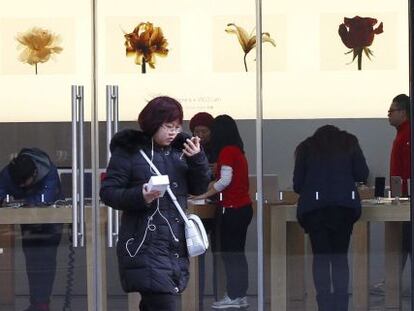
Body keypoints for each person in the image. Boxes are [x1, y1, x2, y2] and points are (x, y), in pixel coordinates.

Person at [100, 96, 210, 311]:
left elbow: (198, 188)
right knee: (162, 303)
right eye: (168, 126)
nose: (173, 132)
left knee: (155, 303)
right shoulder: (129, 151)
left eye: (177, 127)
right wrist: (141, 195)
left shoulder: (181, 151)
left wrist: (197, 159)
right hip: (144, 244)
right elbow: (109, 192)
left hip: (174, 244)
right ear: (153, 123)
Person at [293, 125, 369, 311]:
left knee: (320, 258)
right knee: (340, 258)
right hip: (343, 209)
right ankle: (342, 305)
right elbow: (362, 174)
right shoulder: (350, 143)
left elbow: (297, 184)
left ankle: (324, 305)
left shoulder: (306, 147)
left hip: (315, 211)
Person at [190, 114, 253, 309]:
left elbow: (224, 181)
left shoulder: (226, 151)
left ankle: (233, 295)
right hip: (243, 207)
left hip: (231, 208)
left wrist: (203, 195)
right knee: (238, 254)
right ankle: (240, 295)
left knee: (229, 254)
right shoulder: (238, 152)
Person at [0, 148, 63, 311]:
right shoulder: (9, 174)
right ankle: (37, 303)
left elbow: (45, 200)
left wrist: (25, 201)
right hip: (27, 222)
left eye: (24, 183)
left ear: (35, 174)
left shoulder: (49, 172)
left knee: (45, 261)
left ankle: (42, 304)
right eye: (18, 184)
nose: (21, 186)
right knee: (32, 261)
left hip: (51, 222)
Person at [189, 111, 216, 309]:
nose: (200, 134)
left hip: (214, 207)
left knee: (218, 254)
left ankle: (218, 295)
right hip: (194, 207)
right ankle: (195, 297)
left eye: (204, 131)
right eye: (196, 131)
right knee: (196, 253)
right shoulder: (188, 147)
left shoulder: (219, 149)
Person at [388, 94, 411, 268]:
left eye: (392, 110)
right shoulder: (401, 134)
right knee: (404, 243)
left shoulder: (408, 134)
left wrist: (404, 195)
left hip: (407, 200)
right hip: (403, 198)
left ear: (403, 112)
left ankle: (393, 280)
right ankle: (393, 280)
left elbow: (407, 170)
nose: (388, 114)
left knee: (407, 241)